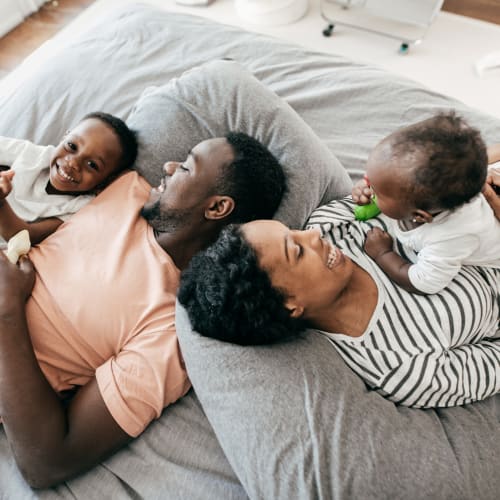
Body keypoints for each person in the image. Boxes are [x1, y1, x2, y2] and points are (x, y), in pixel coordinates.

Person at [0, 131, 286, 488]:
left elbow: (48, 462)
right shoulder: (127, 188)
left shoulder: (171, 329)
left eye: (185, 167)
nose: (167, 166)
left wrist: (8, 310)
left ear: (216, 208)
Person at [178, 189, 500, 409]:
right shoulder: (398, 366)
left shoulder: (331, 225)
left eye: (293, 231)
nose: (312, 235)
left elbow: (416, 188)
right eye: (298, 251)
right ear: (290, 306)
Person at [351, 112, 500, 295]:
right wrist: (368, 185)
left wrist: (383, 254)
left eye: (377, 190)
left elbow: (424, 283)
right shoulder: (450, 182)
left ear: (419, 216)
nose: (367, 186)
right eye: (368, 179)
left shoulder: (451, 237)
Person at [0, 112, 138, 245]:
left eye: (92, 165)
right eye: (72, 146)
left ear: (107, 181)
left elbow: (26, 236)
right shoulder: (31, 154)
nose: (72, 163)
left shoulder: (80, 206)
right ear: (65, 137)